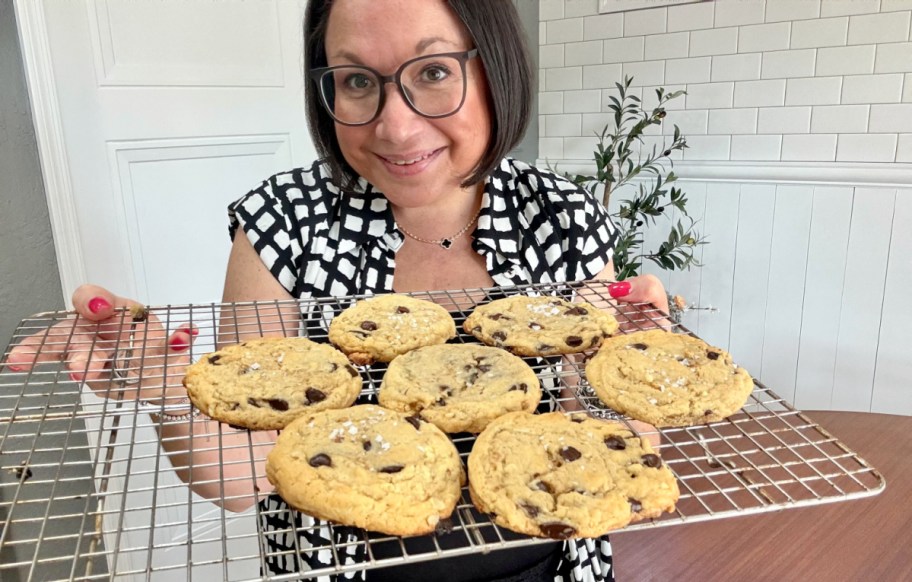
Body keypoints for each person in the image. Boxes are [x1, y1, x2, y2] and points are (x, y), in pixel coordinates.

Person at [5, 0, 670, 580]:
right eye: (356, 81)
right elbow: (247, 478)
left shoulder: (563, 217)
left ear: (495, 67)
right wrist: (161, 384)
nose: (396, 127)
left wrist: (641, 375)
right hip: (339, 571)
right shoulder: (284, 222)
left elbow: (618, 444)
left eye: (433, 71)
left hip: (544, 565)